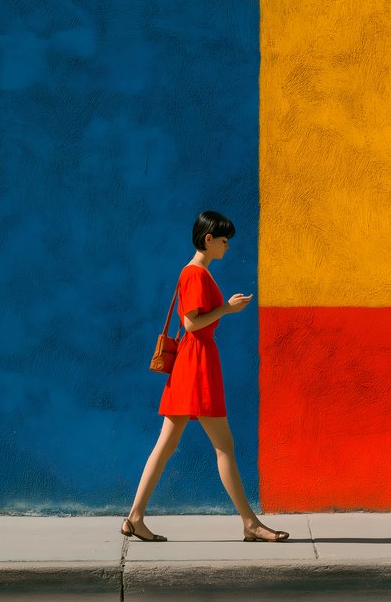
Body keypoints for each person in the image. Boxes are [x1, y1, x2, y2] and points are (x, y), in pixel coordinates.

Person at [120, 210, 290, 543]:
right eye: (224, 241)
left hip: (192, 362)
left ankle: (135, 518)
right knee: (223, 446)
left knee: (166, 446)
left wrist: (226, 308)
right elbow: (191, 323)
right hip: (196, 363)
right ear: (208, 240)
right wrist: (227, 308)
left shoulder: (194, 272)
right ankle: (250, 524)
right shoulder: (195, 274)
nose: (228, 247)